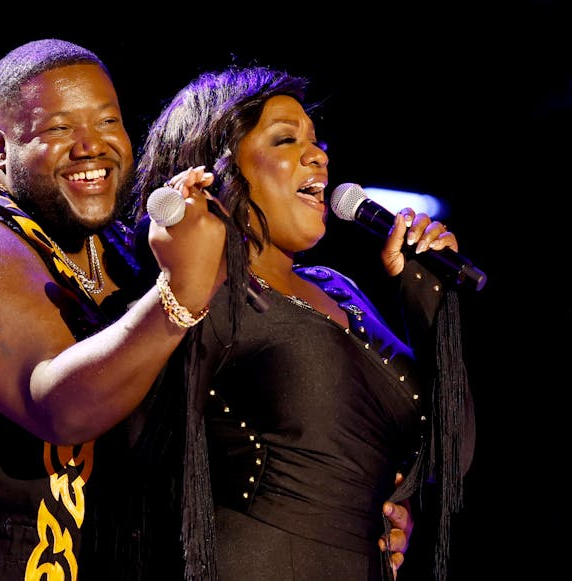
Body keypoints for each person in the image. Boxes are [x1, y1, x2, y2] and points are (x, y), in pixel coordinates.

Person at [0, 38, 414, 580]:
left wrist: (355, 506)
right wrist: (176, 298)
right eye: (58, 129)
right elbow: (59, 402)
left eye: (108, 123)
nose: (92, 146)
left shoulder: (120, 260)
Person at [130, 65, 476, 581]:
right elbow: (145, 451)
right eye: (286, 140)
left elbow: (452, 459)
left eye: (317, 142)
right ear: (214, 167)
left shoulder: (337, 288)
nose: (319, 157)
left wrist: (423, 300)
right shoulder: (202, 293)